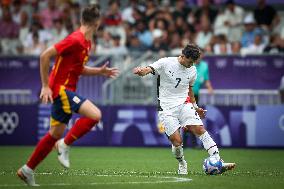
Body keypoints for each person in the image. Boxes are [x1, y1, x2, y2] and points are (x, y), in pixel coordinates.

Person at [17, 4, 119, 186]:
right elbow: (44, 56)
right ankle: (64, 144)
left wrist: (100, 72)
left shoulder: (87, 43)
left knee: (54, 134)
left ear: (82, 20)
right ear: (97, 23)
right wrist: (45, 86)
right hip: (61, 90)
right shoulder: (75, 39)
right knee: (95, 115)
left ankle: (27, 169)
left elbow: (78, 69)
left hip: (65, 91)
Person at [133, 44, 235, 175]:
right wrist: (141, 71)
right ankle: (182, 163)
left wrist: (196, 107)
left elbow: (190, 90)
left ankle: (217, 159)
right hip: (166, 107)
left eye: (194, 62)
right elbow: (149, 69)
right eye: (190, 61)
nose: (191, 65)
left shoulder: (192, 70)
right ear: (183, 56)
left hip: (184, 104)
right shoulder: (166, 62)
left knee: (199, 129)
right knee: (177, 141)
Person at [183, 50, 213, 148]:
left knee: (192, 117)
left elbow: (206, 79)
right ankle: (186, 142)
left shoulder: (205, 66)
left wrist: (209, 88)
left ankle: (191, 143)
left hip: (195, 95)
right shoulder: (189, 65)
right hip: (185, 95)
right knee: (188, 117)